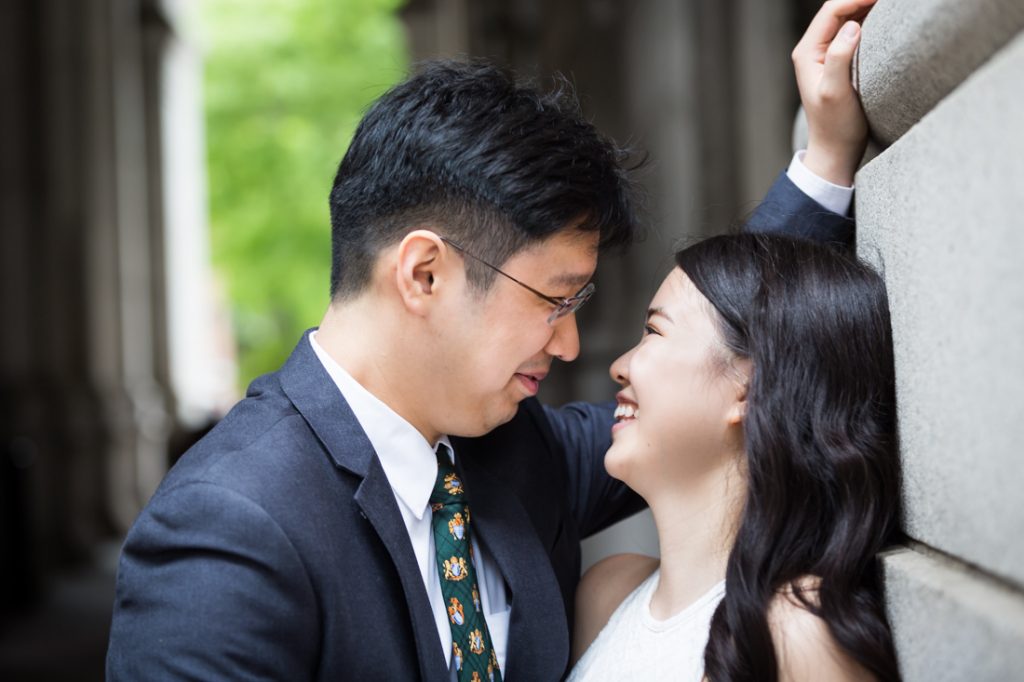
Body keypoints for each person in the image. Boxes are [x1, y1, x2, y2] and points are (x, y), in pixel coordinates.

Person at [105, 0, 874, 677]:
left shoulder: (513, 453)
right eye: (555, 299)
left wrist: (824, 164)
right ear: (426, 275)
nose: (572, 345)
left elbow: (711, 364)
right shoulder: (231, 523)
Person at [568, 231, 900, 682]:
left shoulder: (794, 635)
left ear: (749, 385)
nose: (620, 365)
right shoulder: (605, 591)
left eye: (653, 331)